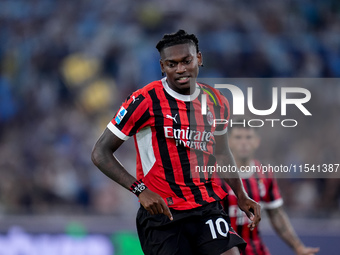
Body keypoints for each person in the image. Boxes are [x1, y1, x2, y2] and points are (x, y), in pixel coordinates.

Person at [91, 29, 261, 255]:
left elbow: (221, 151)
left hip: (206, 207)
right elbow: (100, 153)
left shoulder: (216, 100)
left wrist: (240, 194)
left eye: (186, 61)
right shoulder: (145, 100)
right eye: (172, 64)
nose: (180, 69)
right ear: (162, 67)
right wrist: (140, 190)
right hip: (163, 215)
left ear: (198, 58)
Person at [221, 123, 320, 255]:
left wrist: (298, 247)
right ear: (229, 142)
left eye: (248, 137)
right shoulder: (214, 174)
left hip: (256, 250)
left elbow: (276, 214)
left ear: (257, 142)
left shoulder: (265, 174)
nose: (243, 142)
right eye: (238, 137)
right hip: (222, 250)